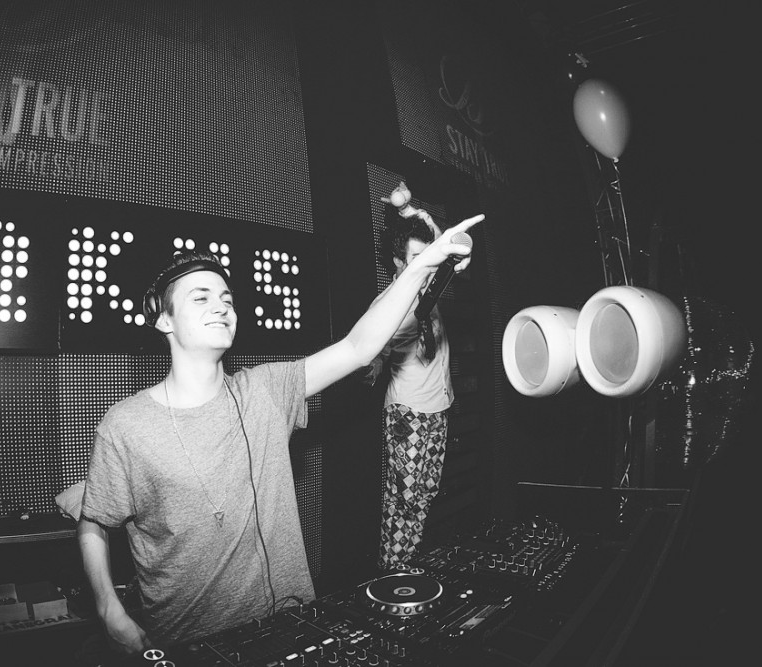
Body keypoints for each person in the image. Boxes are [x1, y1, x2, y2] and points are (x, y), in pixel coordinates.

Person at [78, 211, 483, 655]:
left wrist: (425, 266)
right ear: (163, 320)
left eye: (227, 299)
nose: (222, 306)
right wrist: (108, 608)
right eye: (201, 297)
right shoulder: (126, 424)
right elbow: (93, 522)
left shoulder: (267, 389)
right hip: (187, 645)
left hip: (290, 628)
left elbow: (358, 346)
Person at [363, 200, 468, 571]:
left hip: (439, 408)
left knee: (424, 495)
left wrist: (417, 213)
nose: (427, 265)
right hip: (408, 412)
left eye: (428, 258)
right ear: (398, 263)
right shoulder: (387, 303)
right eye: (417, 259)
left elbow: (453, 252)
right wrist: (373, 364)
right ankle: (392, 574)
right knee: (403, 500)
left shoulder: (429, 288)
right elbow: (371, 348)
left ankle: (406, 565)